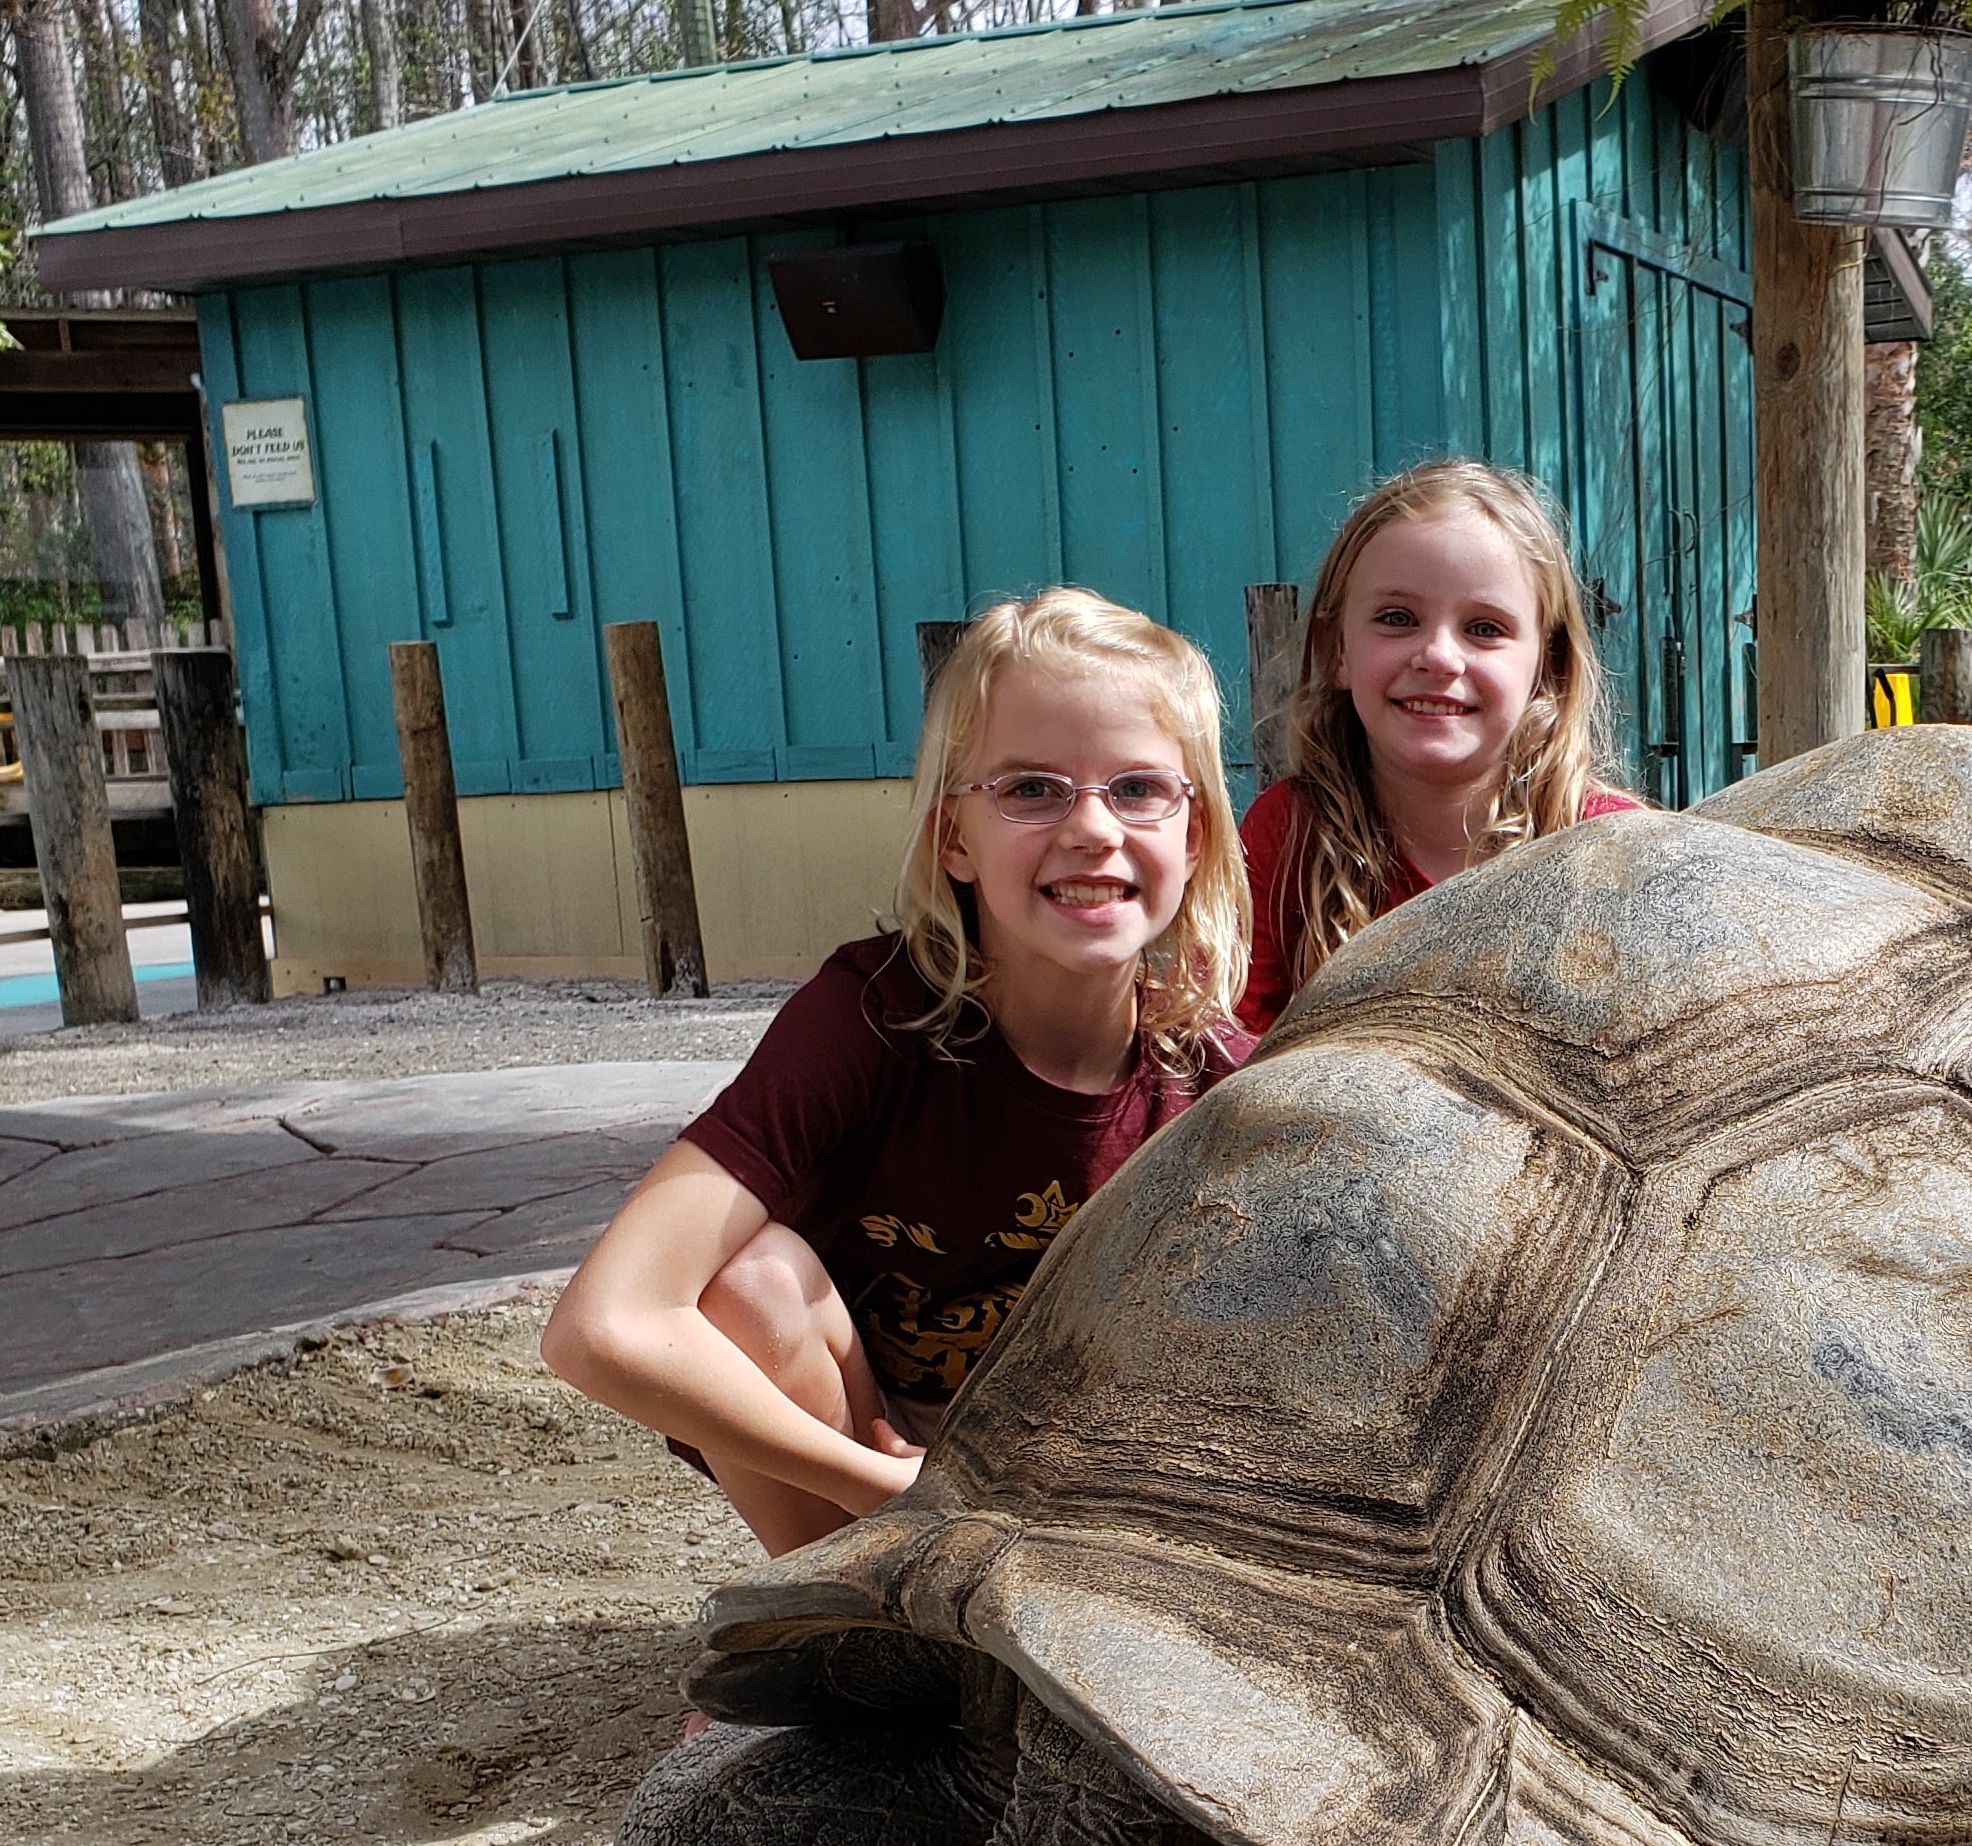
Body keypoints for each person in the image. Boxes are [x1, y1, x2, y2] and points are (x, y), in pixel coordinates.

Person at [542, 588, 1251, 1555]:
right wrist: (886, 1489)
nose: (1092, 828)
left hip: (1086, 1494)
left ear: (1195, 833)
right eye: (1032, 789)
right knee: (751, 1285)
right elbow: (600, 1324)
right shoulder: (870, 1017)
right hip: (866, 1460)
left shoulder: (1221, 1086)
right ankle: (824, 1628)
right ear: (953, 834)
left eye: (1138, 788)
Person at [1238, 459, 1635, 1034]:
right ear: (1337, 651)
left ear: (1546, 665)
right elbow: (1233, 1071)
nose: (1440, 658)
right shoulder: (1288, 836)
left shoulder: (1613, 848)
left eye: (1485, 628)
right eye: (1397, 619)